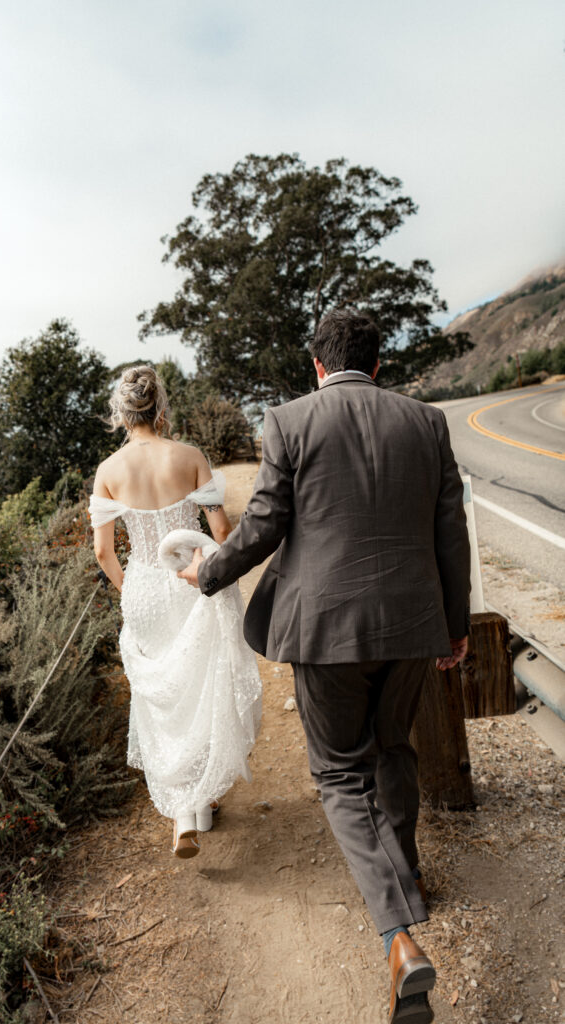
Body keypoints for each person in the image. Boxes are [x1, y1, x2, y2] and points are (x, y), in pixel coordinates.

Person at [178, 309, 471, 1024]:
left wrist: (207, 573)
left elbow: (266, 524)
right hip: (409, 624)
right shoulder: (426, 422)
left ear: (316, 364)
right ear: (377, 364)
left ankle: (398, 936)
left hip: (324, 631)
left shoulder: (287, 421)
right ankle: (407, 878)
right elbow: (449, 531)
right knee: (393, 748)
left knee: (340, 771)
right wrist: (453, 626)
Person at [89, 365, 262, 859]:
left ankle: (186, 813)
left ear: (121, 413)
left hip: (142, 587)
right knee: (199, 687)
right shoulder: (189, 456)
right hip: (190, 580)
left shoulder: (108, 472)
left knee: (163, 697)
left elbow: (104, 553)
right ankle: (200, 803)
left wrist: (131, 590)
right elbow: (223, 533)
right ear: (160, 407)